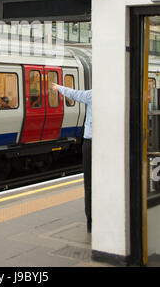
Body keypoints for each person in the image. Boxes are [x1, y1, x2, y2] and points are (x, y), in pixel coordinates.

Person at [52, 82, 92, 233]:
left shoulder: (93, 95)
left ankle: (91, 222)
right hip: (106, 143)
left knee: (89, 184)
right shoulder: (115, 96)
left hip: (90, 142)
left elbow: (75, 94)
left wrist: (59, 88)